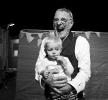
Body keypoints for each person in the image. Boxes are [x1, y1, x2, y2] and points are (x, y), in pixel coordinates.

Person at [35, 8, 91, 100]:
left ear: (71, 23)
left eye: (63, 20)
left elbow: (85, 72)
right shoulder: (46, 41)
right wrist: (47, 81)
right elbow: (38, 67)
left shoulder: (81, 41)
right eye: (56, 19)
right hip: (51, 96)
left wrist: (70, 87)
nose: (58, 23)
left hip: (72, 96)